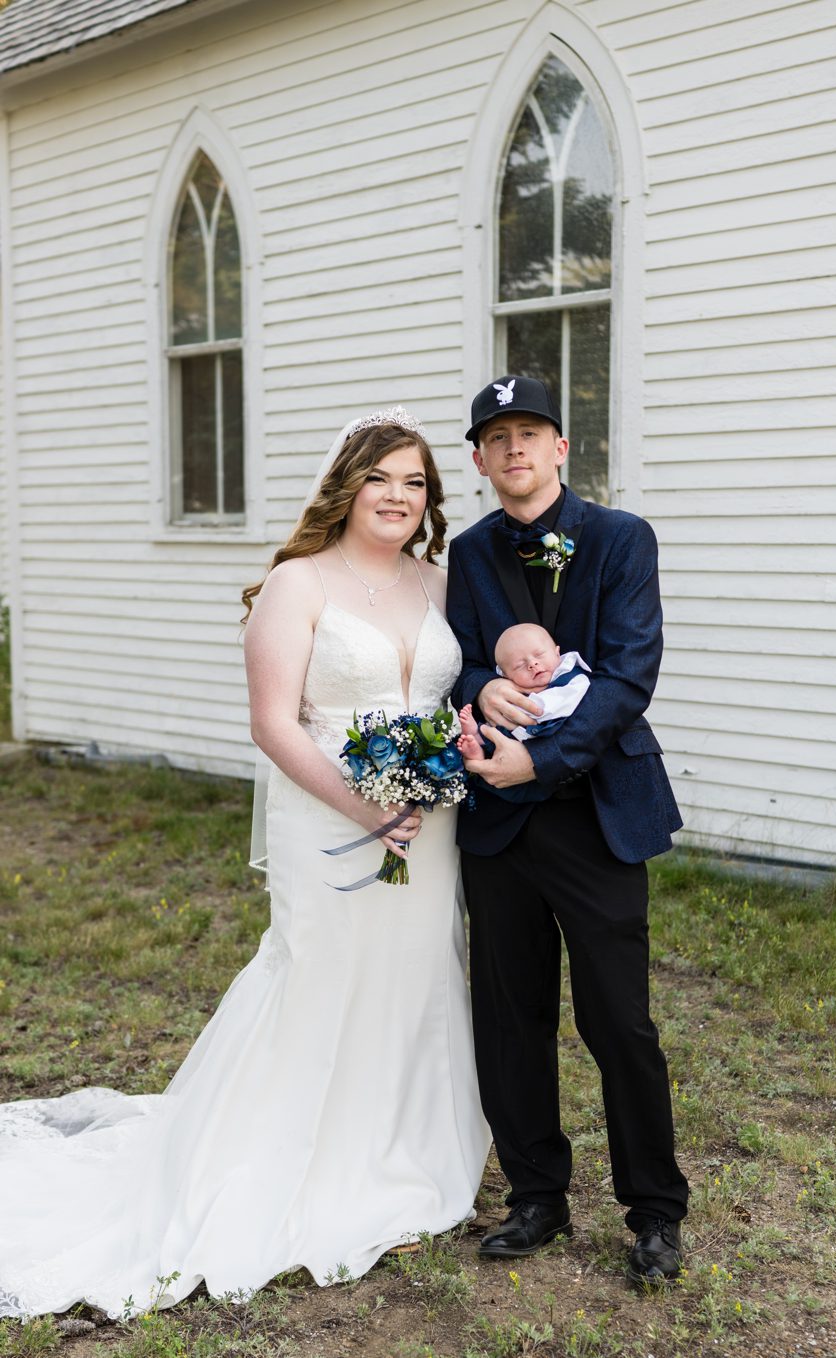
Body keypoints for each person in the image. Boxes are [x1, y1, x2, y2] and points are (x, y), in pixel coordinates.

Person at [0, 409, 489, 1318]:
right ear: (348, 486)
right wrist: (364, 807)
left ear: (429, 500)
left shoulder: (441, 581)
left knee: (414, 976)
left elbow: (449, 688)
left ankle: (400, 1158)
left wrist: (445, 754)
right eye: (381, 478)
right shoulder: (296, 585)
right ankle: (292, 1166)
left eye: (414, 482)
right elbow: (273, 724)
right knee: (322, 973)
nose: (397, 496)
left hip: (427, 824)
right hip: (330, 814)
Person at [445, 374, 689, 1286]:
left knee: (619, 1020)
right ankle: (536, 1196)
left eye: (530, 431)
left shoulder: (622, 539)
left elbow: (630, 677)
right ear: (478, 458)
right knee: (511, 1019)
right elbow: (456, 656)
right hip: (497, 828)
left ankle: (656, 1211)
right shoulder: (466, 555)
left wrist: (542, 762)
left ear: (561, 447)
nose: (514, 448)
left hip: (597, 816)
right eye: (496, 436)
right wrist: (479, 686)